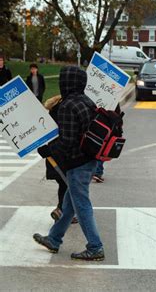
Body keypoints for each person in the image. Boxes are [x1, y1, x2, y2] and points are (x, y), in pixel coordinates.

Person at [33, 66, 105, 261]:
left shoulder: (67, 106)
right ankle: (54, 239)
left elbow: (67, 140)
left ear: (67, 83)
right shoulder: (87, 101)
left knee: (81, 204)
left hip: (77, 162)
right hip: (90, 159)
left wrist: (48, 151)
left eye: (63, 80)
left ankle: (95, 246)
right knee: (70, 203)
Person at [43, 95, 78, 224]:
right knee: (68, 184)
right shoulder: (66, 111)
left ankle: (63, 211)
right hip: (63, 153)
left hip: (53, 153)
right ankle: (61, 210)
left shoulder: (53, 112)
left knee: (63, 184)